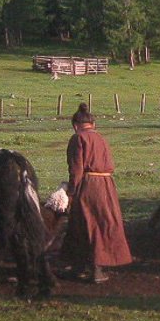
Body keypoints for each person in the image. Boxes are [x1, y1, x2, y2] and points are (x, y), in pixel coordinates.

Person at [59, 103, 132, 283]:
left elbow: (76, 168)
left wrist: (71, 191)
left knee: (86, 224)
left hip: (89, 185)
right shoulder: (101, 138)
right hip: (107, 186)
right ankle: (82, 267)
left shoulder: (78, 138)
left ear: (75, 125)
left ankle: (93, 269)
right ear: (93, 124)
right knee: (103, 222)